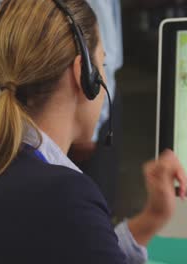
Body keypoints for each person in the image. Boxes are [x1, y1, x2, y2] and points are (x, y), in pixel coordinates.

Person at [0, 1, 187, 264]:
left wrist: (151, 218)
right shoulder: (65, 195)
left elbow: (81, 247)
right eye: (103, 64)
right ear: (82, 74)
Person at [69, 0, 124, 211]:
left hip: (101, 91)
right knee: (95, 203)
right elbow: (95, 59)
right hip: (93, 97)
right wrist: (91, 131)